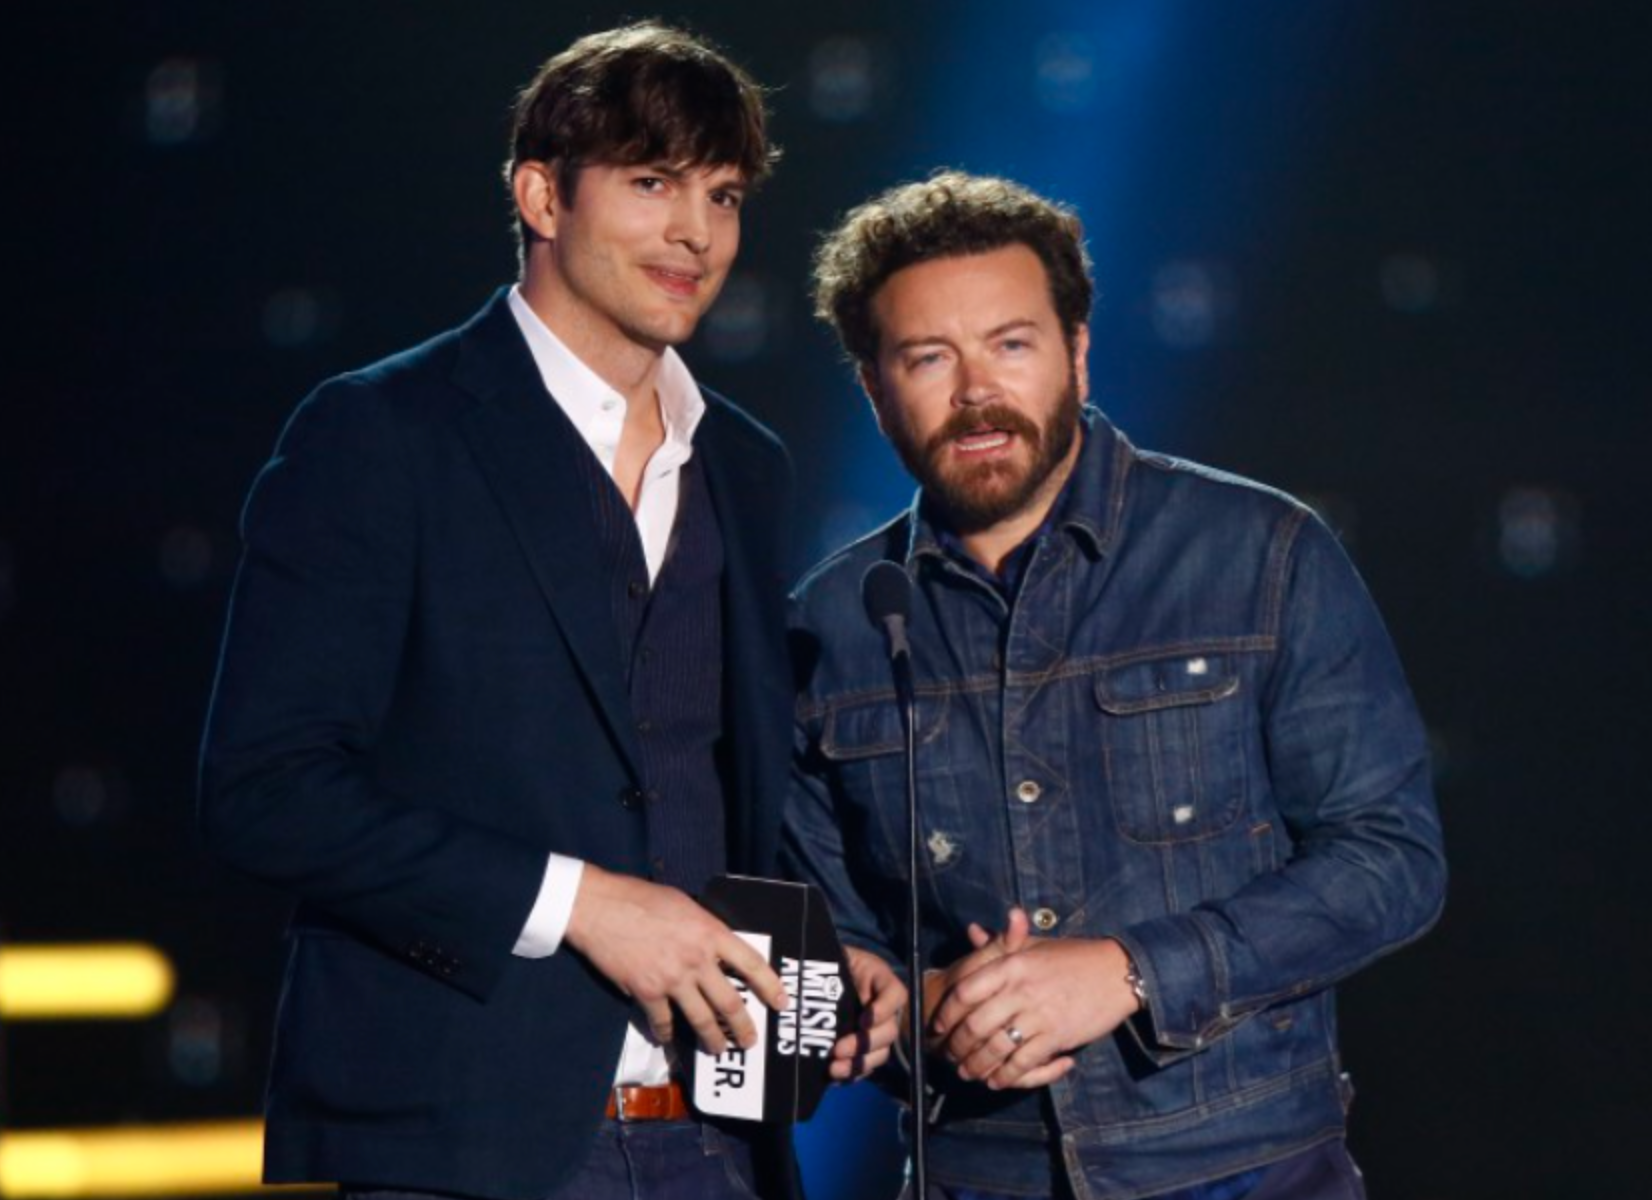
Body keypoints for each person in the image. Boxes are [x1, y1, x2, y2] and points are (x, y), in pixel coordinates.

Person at [199, 23, 900, 1200]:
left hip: (721, 1136)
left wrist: (837, 949)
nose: (695, 232)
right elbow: (264, 791)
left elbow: (721, 780)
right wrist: (577, 904)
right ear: (539, 193)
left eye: (722, 195)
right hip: (468, 1134)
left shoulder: (742, 460)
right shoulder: (382, 435)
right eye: (650, 182)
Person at [783, 172, 1447, 1199]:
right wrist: (892, 1004)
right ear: (872, 386)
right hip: (970, 1173)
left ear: (1076, 352)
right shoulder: (828, 625)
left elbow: (1390, 861)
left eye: (1010, 344)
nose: (974, 395)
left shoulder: (1257, 553)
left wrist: (1129, 971)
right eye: (927, 358)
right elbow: (820, 951)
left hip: (1243, 1166)